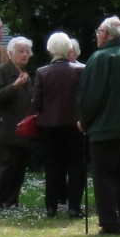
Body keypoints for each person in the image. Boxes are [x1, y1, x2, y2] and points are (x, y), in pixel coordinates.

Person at [77, 16, 120, 237]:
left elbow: (91, 96)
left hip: (106, 129)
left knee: (104, 176)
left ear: (106, 34)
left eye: (99, 31)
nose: (97, 35)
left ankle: (110, 222)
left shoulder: (100, 58)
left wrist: (84, 121)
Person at [33, 32, 87, 219]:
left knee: (52, 166)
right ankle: (74, 206)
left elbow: (36, 103)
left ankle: (51, 206)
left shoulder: (42, 72)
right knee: (76, 167)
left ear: (50, 50)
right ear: (69, 50)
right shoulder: (80, 70)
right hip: (74, 125)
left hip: (48, 125)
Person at [0, 35, 35, 210]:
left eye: (27, 51)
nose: (25, 55)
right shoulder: (2, 71)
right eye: (21, 51)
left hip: (23, 130)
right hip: (7, 129)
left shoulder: (26, 73)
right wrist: (14, 86)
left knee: (19, 168)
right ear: (10, 54)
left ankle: (12, 201)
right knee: (6, 168)